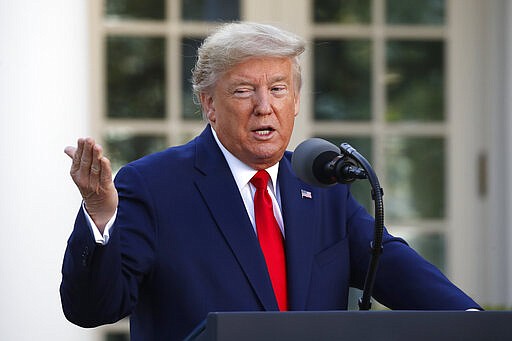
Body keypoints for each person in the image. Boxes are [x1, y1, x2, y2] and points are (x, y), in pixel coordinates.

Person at [60, 22, 481, 340]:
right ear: (208, 103)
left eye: (278, 89)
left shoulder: (321, 184)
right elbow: (92, 308)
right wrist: (100, 217)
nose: (265, 107)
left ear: (295, 100)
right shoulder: (153, 184)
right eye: (244, 91)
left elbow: (389, 262)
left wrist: (475, 324)